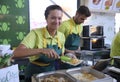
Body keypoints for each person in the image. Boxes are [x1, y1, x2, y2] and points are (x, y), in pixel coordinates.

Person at [13, 5, 65, 82]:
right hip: (34, 73)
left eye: (59, 18)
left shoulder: (61, 36)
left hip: (51, 73)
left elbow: (60, 56)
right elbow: (16, 53)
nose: (57, 21)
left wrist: (69, 57)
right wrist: (41, 50)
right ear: (46, 19)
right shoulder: (35, 33)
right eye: (53, 18)